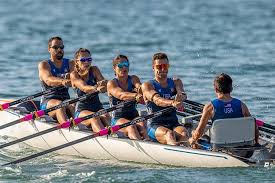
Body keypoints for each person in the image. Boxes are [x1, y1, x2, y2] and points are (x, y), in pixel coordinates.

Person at [188, 73, 259, 148]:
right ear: (231, 88)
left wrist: (192, 138)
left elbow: (198, 133)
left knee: (195, 140)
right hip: (244, 149)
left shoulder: (210, 107)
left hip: (218, 148)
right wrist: (257, 142)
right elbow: (253, 125)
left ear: (215, 89)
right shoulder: (242, 105)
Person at [142, 52, 188, 145]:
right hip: (155, 125)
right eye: (159, 67)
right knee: (169, 134)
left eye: (165, 66)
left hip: (173, 123)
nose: (163, 69)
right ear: (153, 68)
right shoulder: (147, 85)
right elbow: (157, 100)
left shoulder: (176, 82)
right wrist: (172, 102)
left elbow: (182, 93)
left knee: (184, 133)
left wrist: (181, 97)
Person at [107, 55, 149, 140]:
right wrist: (135, 95)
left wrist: (142, 91)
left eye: (126, 64)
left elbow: (139, 87)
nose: (123, 67)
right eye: (120, 65)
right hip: (118, 118)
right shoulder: (111, 83)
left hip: (134, 115)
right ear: (114, 68)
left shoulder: (134, 78)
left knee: (142, 123)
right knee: (131, 126)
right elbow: (121, 95)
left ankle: (149, 143)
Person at [70, 48, 110, 132]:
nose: (86, 62)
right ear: (76, 61)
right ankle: (104, 138)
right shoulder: (74, 75)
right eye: (83, 60)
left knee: (106, 115)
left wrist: (106, 84)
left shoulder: (94, 70)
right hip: (82, 110)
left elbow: (103, 82)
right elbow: (84, 87)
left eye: (89, 59)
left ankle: (113, 135)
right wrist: (96, 88)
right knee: (94, 117)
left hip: (98, 107)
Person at [38, 36, 74, 124]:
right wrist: (63, 81)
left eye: (61, 47)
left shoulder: (70, 63)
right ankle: (67, 127)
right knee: (59, 105)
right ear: (49, 49)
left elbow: (79, 79)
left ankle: (82, 126)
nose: (59, 50)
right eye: (55, 47)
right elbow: (48, 80)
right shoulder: (44, 65)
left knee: (74, 104)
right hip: (48, 102)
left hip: (66, 99)